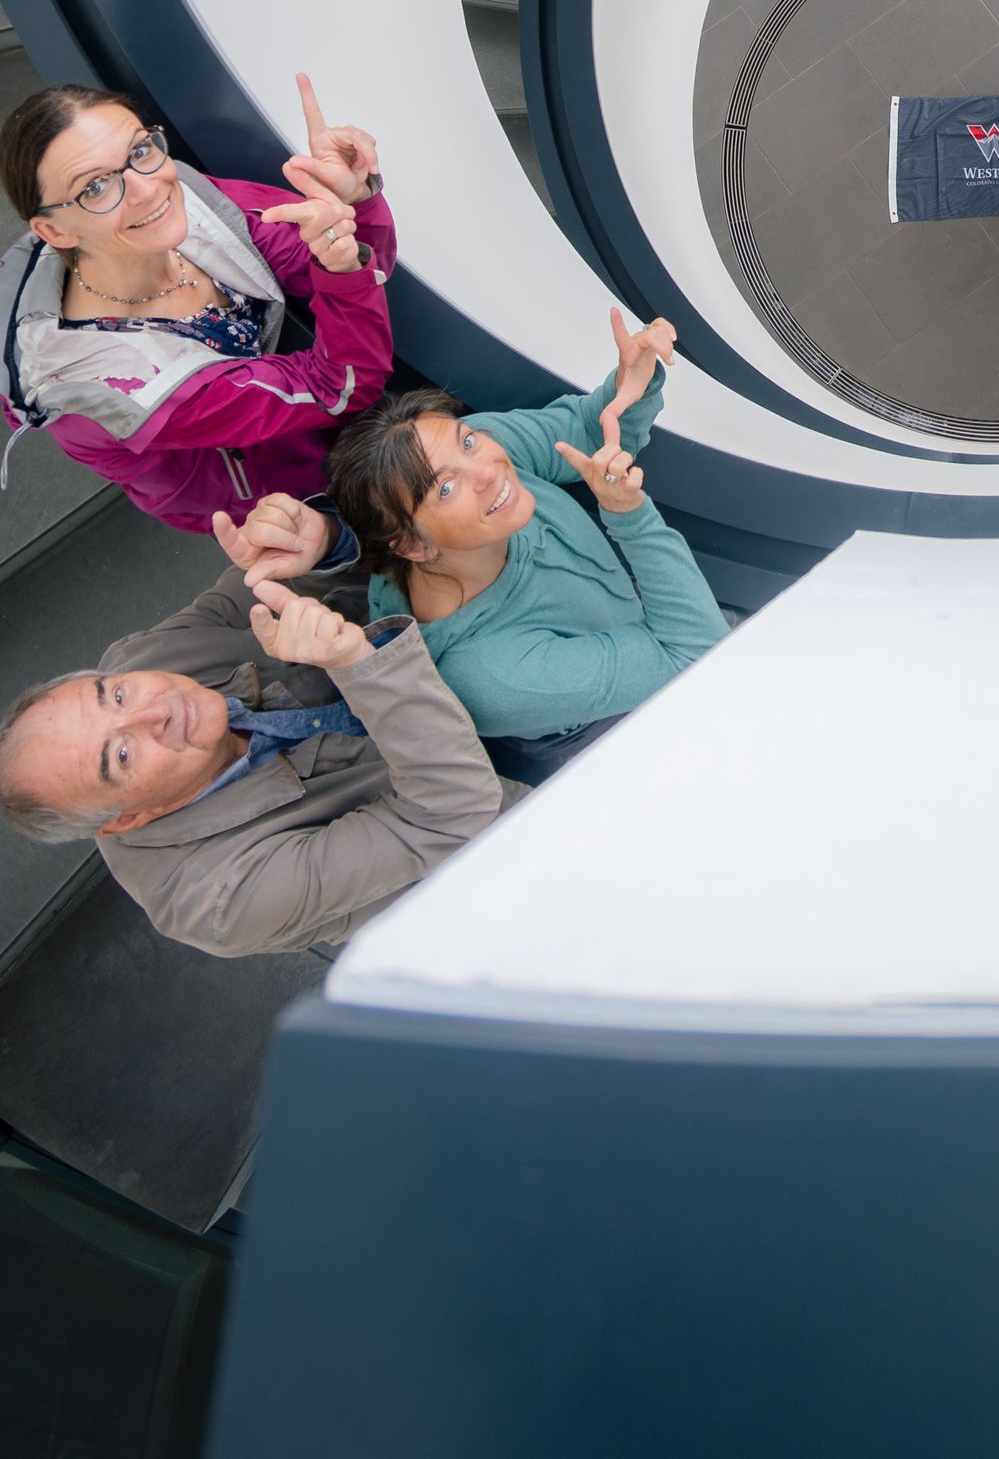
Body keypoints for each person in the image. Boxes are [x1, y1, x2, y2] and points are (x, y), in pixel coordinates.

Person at [0, 506, 515, 957]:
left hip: (464, 646)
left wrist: (319, 540)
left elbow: (270, 585)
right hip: (520, 829)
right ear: (128, 819)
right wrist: (359, 662)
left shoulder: (139, 661)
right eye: (123, 755)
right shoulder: (221, 901)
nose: (152, 712)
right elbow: (455, 809)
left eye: (113, 696)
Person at [327, 310, 729, 780]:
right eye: (445, 489)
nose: (488, 470)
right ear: (413, 546)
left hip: (649, 629)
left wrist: (628, 388)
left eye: (469, 442)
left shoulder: (476, 457)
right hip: (604, 722)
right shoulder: (494, 674)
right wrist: (629, 517)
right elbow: (698, 654)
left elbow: (582, 429)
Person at [0, 79, 395, 535]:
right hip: (258, 495)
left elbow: (360, 270)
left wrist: (352, 202)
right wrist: (343, 270)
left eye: (140, 150)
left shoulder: (188, 202)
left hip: (292, 417)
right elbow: (341, 387)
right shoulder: (129, 388)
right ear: (55, 232)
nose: (146, 189)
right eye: (95, 188)